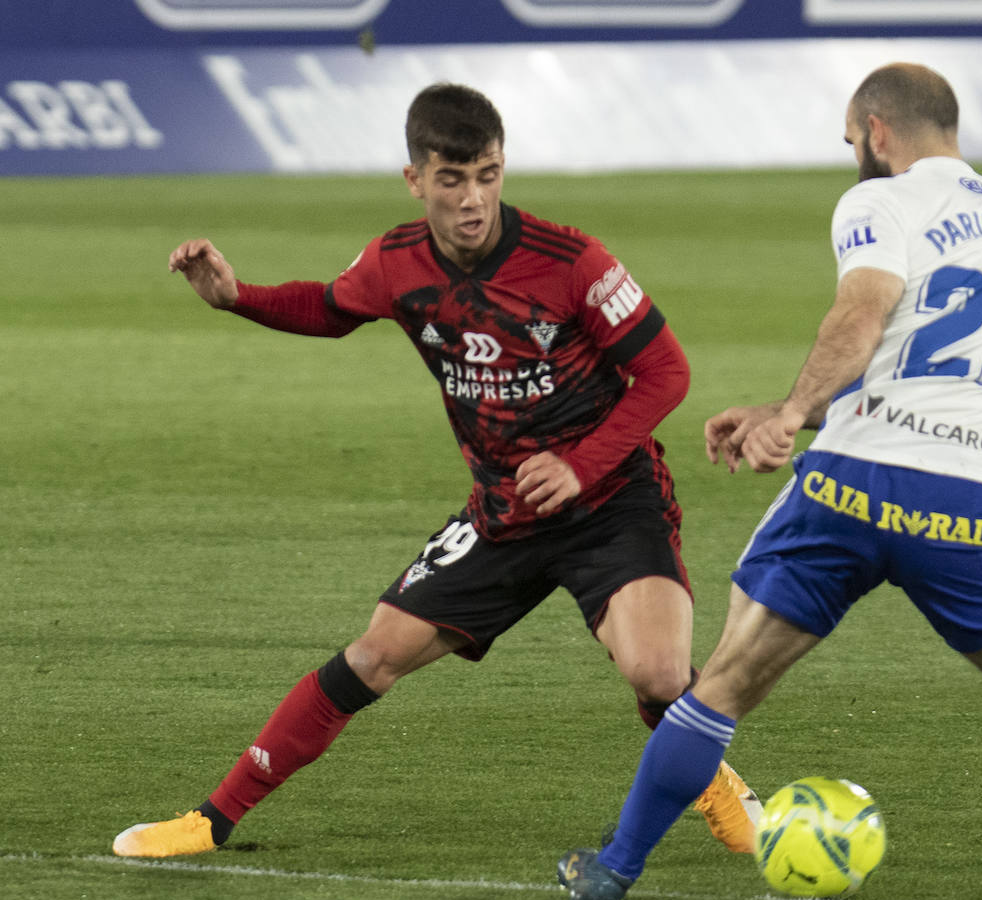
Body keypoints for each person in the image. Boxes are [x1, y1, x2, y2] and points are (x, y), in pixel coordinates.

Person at [556, 63, 982, 900]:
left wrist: (792, 413)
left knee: (725, 687)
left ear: (878, 131)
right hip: (970, 498)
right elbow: (936, 376)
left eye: (853, 139)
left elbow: (862, 316)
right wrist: (790, 411)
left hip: (852, 492)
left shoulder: (878, 202)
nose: (854, 153)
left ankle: (614, 869)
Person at [112, 83, 760, 860]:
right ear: (415, 180)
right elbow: (330, 306)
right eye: (451, 180)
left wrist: (582, 466)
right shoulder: (396, 262)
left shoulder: (570, 260)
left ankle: (717, 787)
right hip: (502, 514)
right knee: (374, 654)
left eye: (487, 175)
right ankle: (211, 820)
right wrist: (236, 297)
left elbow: (665, 370)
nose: (473, 200)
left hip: (611, 500)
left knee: (657, 673)